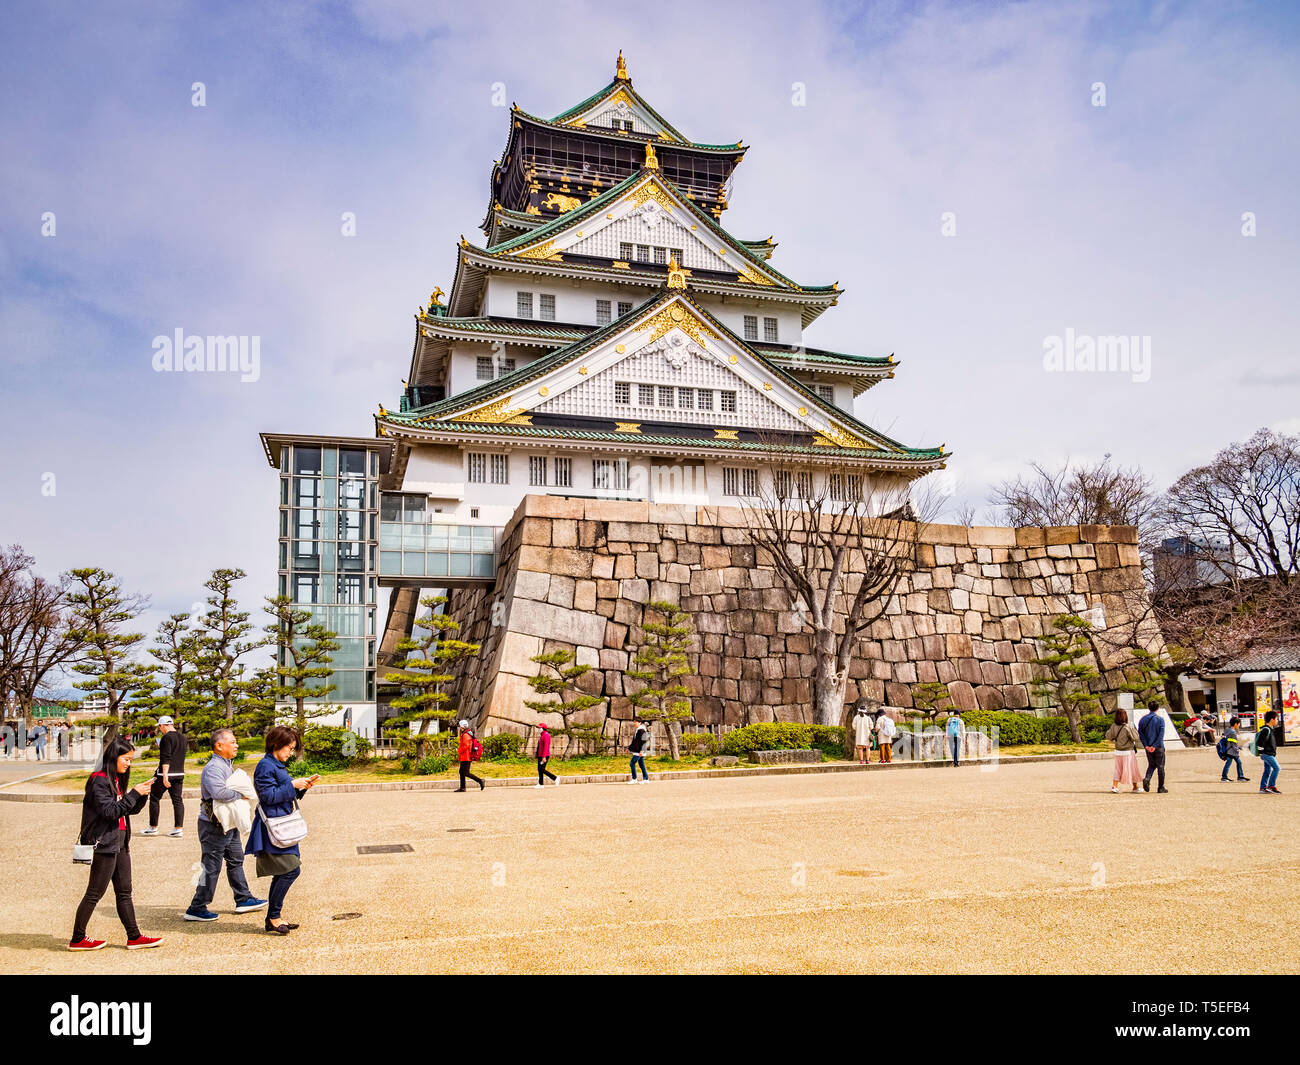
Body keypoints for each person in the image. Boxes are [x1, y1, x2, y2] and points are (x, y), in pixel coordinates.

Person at [70, 735, 163, 951]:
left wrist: (143, 794)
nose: (129, 763)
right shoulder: (99, 780)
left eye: (131, 760)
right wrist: (133, 793)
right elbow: (110, 812)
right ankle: (77, 938)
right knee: (95, 893)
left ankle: (134, 936)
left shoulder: (116, 780)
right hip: (104, 843)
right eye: (126, 759)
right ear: (114, 756)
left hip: (120, 841)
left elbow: (128, 809)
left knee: (124, 891)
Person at [183, 729, 266, 922]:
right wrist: (242, 794)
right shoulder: (214, 768)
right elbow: (219, 793)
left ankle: (243, 898)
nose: (237, 745)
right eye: (233, 742)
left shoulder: (226, 764)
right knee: (211, 867)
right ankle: (197, 907)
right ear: (219, 746)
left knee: (236, 859)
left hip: (228, 822)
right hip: (214, 826)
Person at [246, 725, 317, 933]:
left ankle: (274, 918)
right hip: (274, 828)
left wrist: (301, 788)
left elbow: (283, 793)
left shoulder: (275, 764)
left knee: (285, 871)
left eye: (293, 749)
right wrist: (293, 786)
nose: (291, 752)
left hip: (283, 825)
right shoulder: (265, 766)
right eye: (290, 747)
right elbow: (267, 797)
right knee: (290, 870)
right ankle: (273, 917)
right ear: (277, 744)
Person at [142, 716, 186, 837]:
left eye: (160, 727)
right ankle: (178, 828)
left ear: (163, 725)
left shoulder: (166, 738)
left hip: (165, 774)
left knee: (155, 798)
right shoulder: (182, 737)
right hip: (179, 773)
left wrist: (165, 775)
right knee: (177, 800)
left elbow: (165, 757)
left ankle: (153, 827)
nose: (160, 729)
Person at [1105, 709, 1142, 793]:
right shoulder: (1127, 727)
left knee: (1118, 769)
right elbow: (1135, 737)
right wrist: (1133, 729)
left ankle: (1115, 786)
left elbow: (1109, 736)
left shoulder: (1113, 726)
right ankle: (1135, 787)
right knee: (1132, 768)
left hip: (1118, 751)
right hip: (1128, 751)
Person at [1139, 700, 1167, 793]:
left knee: (1151, 765)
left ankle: (1147, 778)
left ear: (1148, 708)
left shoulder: (1143, 719)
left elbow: (1141, 734)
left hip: (1148, 746)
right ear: (1158, 708)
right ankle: (1161, 787)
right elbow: (1161, 734)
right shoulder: (1160, 719)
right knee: (1160, 767)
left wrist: (1146, 745)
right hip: (1158, 746)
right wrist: (1155, 745)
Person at [456, 719, 484, 792]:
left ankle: (480, 781)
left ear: (461, 727)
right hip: (465, 756)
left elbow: (466, 746)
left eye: (459, 726)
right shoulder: (468, 733)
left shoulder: (465, 734)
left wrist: (458, 751)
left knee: (465, 772)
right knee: (461, 771)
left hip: (466, 756)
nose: (459, 727)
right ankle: (462, 787)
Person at [1219, 716, 1249, 783]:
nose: (1239, 725)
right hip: (1232, 751)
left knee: (1238, 762)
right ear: (1236, 724)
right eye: (1239, 724)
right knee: (1230, 764)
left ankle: (1240, 776)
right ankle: (1224, 777)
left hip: (1228, 749)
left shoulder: (1227, 730)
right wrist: (1237, 749)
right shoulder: (1233, 732)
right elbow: (1234, 743)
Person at [1257, 710, 1281, 794]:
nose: (1277, 721)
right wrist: (1261, 753)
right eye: (1277, 719)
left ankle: (1263, 788)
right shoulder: (1266, 730)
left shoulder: (1268, 729)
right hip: (1267, 754)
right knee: (1277, 768)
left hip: (1268, 753)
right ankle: (1271, 786)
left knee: (1267, 770)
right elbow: (1260, 742)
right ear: (1272, 720)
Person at [535, 723, 558, 787]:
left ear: (543, 728)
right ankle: (540, 784)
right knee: (540, 769)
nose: (538, 729)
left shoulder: (546, 735)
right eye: (538, 728)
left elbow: (546, 747)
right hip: (540, 755)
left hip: (544, 755)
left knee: (541, 769)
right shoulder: (542, 735)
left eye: (540, 728)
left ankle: (555, 778)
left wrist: (544, 757)